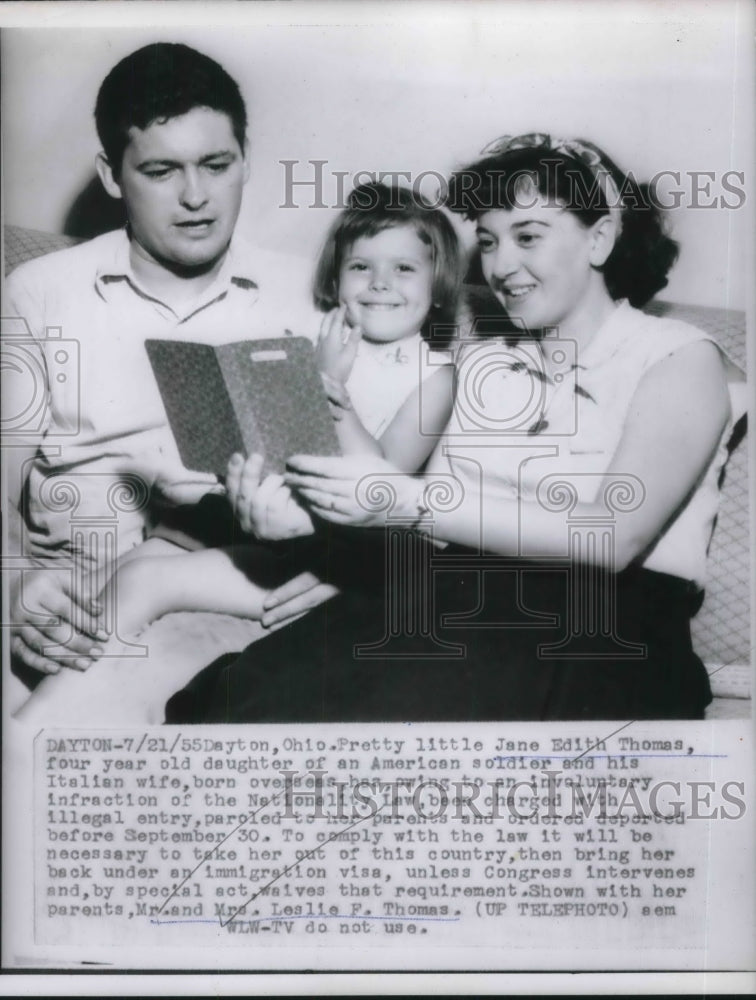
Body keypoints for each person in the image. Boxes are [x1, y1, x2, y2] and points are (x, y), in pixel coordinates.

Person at [167, 133, 744, 723]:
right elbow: (382, 482)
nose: (499, 266)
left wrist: (406, 503)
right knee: (240, 707)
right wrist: (328, 399)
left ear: (599, 238)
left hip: (602, 627)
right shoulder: (474, 361)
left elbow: (613, 536)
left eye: (528, 237)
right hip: (448, 594)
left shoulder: (678, 357)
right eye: (489, 242)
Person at [3, 42, 323, 692]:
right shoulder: (39, 291)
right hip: (66, 591)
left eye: (216, 164)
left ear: (244, 161)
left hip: (228, 588)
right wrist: (12, 580)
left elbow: (356, 483)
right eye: (161, 171)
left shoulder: (308, 294)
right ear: (112, 174)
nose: (196, 196)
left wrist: (341, 567)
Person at [62, 182, 461, 639]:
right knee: (87, 587)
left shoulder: (434, 376)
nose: (380, 283)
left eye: (404, 268)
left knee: (137, 586)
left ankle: (74, 677)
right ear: (336, 280)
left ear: (439, 286)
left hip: (327, 540)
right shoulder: (315, 334)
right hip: (248, 510)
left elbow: (381, 478)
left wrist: (329, 388)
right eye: (360, 266)